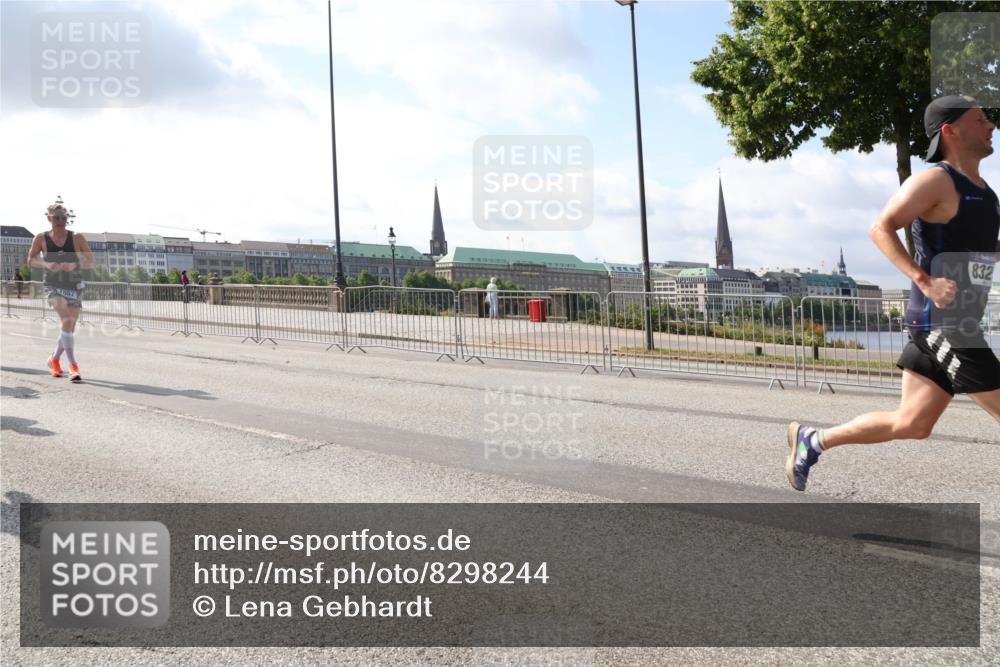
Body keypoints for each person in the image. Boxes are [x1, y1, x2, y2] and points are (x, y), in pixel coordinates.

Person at [787, 95, 1000, 492]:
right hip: (945, 324)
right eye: (981, 120)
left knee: (912, 424)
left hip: (960, 320)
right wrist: (925, 281)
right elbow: (880, 228)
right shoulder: (935, 179)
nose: (992, 127)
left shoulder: (985, 192)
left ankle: (813, 441)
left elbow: (983, 250)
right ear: (951, 131)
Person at [27, 200, 96, 383]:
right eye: (57, 217)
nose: (61, 220)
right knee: (66, 319)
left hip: (74, 285)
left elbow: (91, 261)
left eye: (64, 217)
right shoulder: (41, 238)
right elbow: (31, 260)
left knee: (69, 327)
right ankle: (73, 366)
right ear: (50, 218)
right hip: (52, 285)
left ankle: (55, 359)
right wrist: (46, 263)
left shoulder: (77, 238)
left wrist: (75, 263)